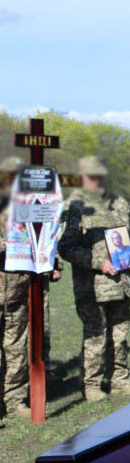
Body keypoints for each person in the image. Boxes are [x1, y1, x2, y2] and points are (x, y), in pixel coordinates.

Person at [58, 154, 130, 401]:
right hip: (92, 287)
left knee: (120, 335)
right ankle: (92, 384)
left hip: (122, 283)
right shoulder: (75, 205)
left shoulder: (119, 203)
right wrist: (98, 263)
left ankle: (119, 380)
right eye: (91, 176)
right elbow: (66, 247)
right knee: (96, 337)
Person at [1, 156, 31, 422]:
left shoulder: (24, 207)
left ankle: (15, 400)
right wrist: (9, 243)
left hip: (17, 291)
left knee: (16, 349)